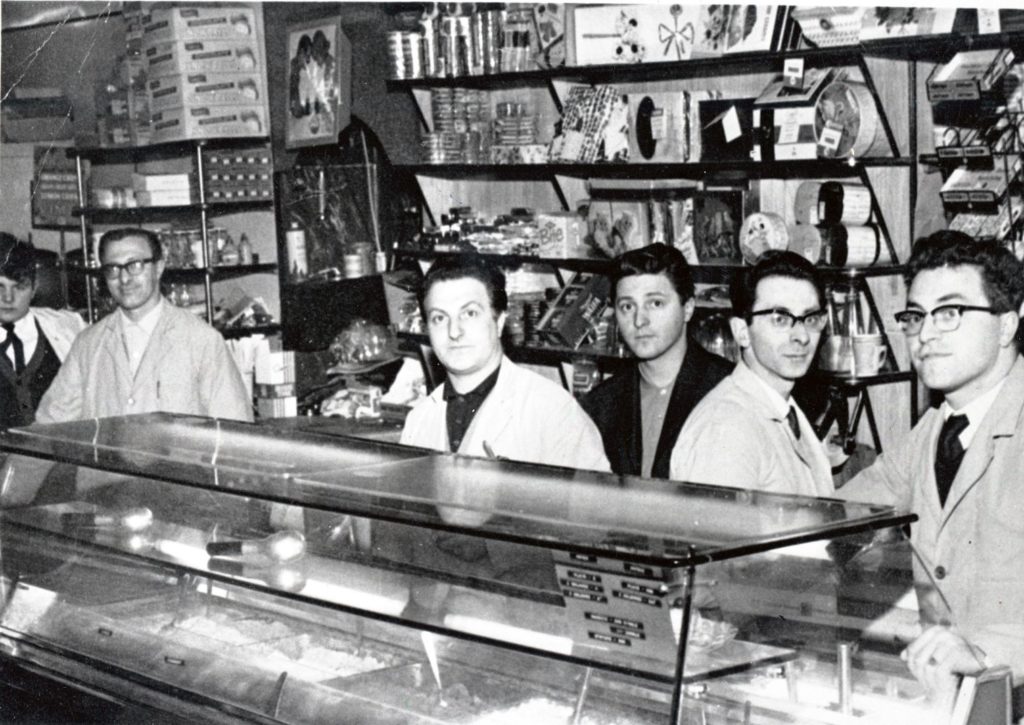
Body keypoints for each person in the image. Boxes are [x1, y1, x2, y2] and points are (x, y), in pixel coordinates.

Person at [841, 231, 1024, 709]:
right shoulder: (934, 428)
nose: (924, 335)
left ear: (1006, 326)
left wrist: (987, 653)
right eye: (916, 316)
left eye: (950, 313)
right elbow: (838, 516)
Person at [401, 255, 610, 472]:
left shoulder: (554, 412)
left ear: (499, 322)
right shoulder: (419, 419)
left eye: (470, 313)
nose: (454, 331)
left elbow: (597, 503)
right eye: (439, 318)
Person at [36, 227, 252, 423]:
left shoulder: (202, 340)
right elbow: (50, 425)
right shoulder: (88, 344)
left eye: (135, 266)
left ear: (158, 268)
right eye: (113, 269)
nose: (124, 279)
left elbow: (234, 430)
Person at [669, 250, 833, 496]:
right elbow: (719, 532)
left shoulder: (784, 409)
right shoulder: (726, 429)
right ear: (742, 331)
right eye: (780, 319)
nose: (801, 336)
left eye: (810, 319)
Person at [581, 244, 732, 478]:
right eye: (627, 306)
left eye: (656, 303)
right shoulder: (601, 404)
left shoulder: (728, 388)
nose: (639, 320)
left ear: (688, 308)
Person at [0, 233, 86, 428]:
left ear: (34, 287)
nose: (8, 298)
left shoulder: (69, 327)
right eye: (0, 287)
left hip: (61, 453)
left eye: (19, 287)